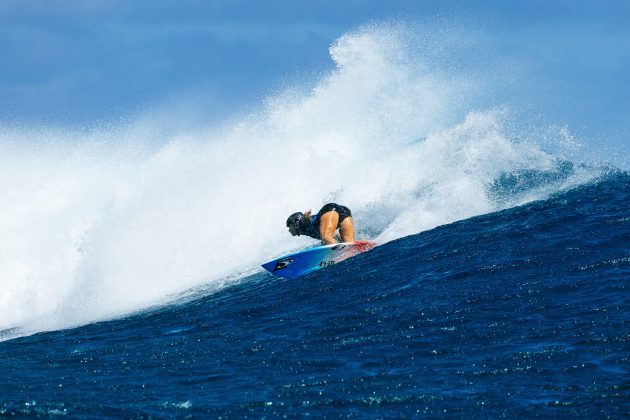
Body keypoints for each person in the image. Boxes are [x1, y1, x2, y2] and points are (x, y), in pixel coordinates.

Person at [286, 203, 355, 245]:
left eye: (289, 226)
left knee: (326, 238)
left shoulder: (301, 225)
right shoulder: (308, 231)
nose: (289, 230)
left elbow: (304, 221)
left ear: (296, 224)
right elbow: (335, 234)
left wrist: (305, 217)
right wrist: (342, 243)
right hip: (344, 212)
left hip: (329, 210)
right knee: (349, 244)